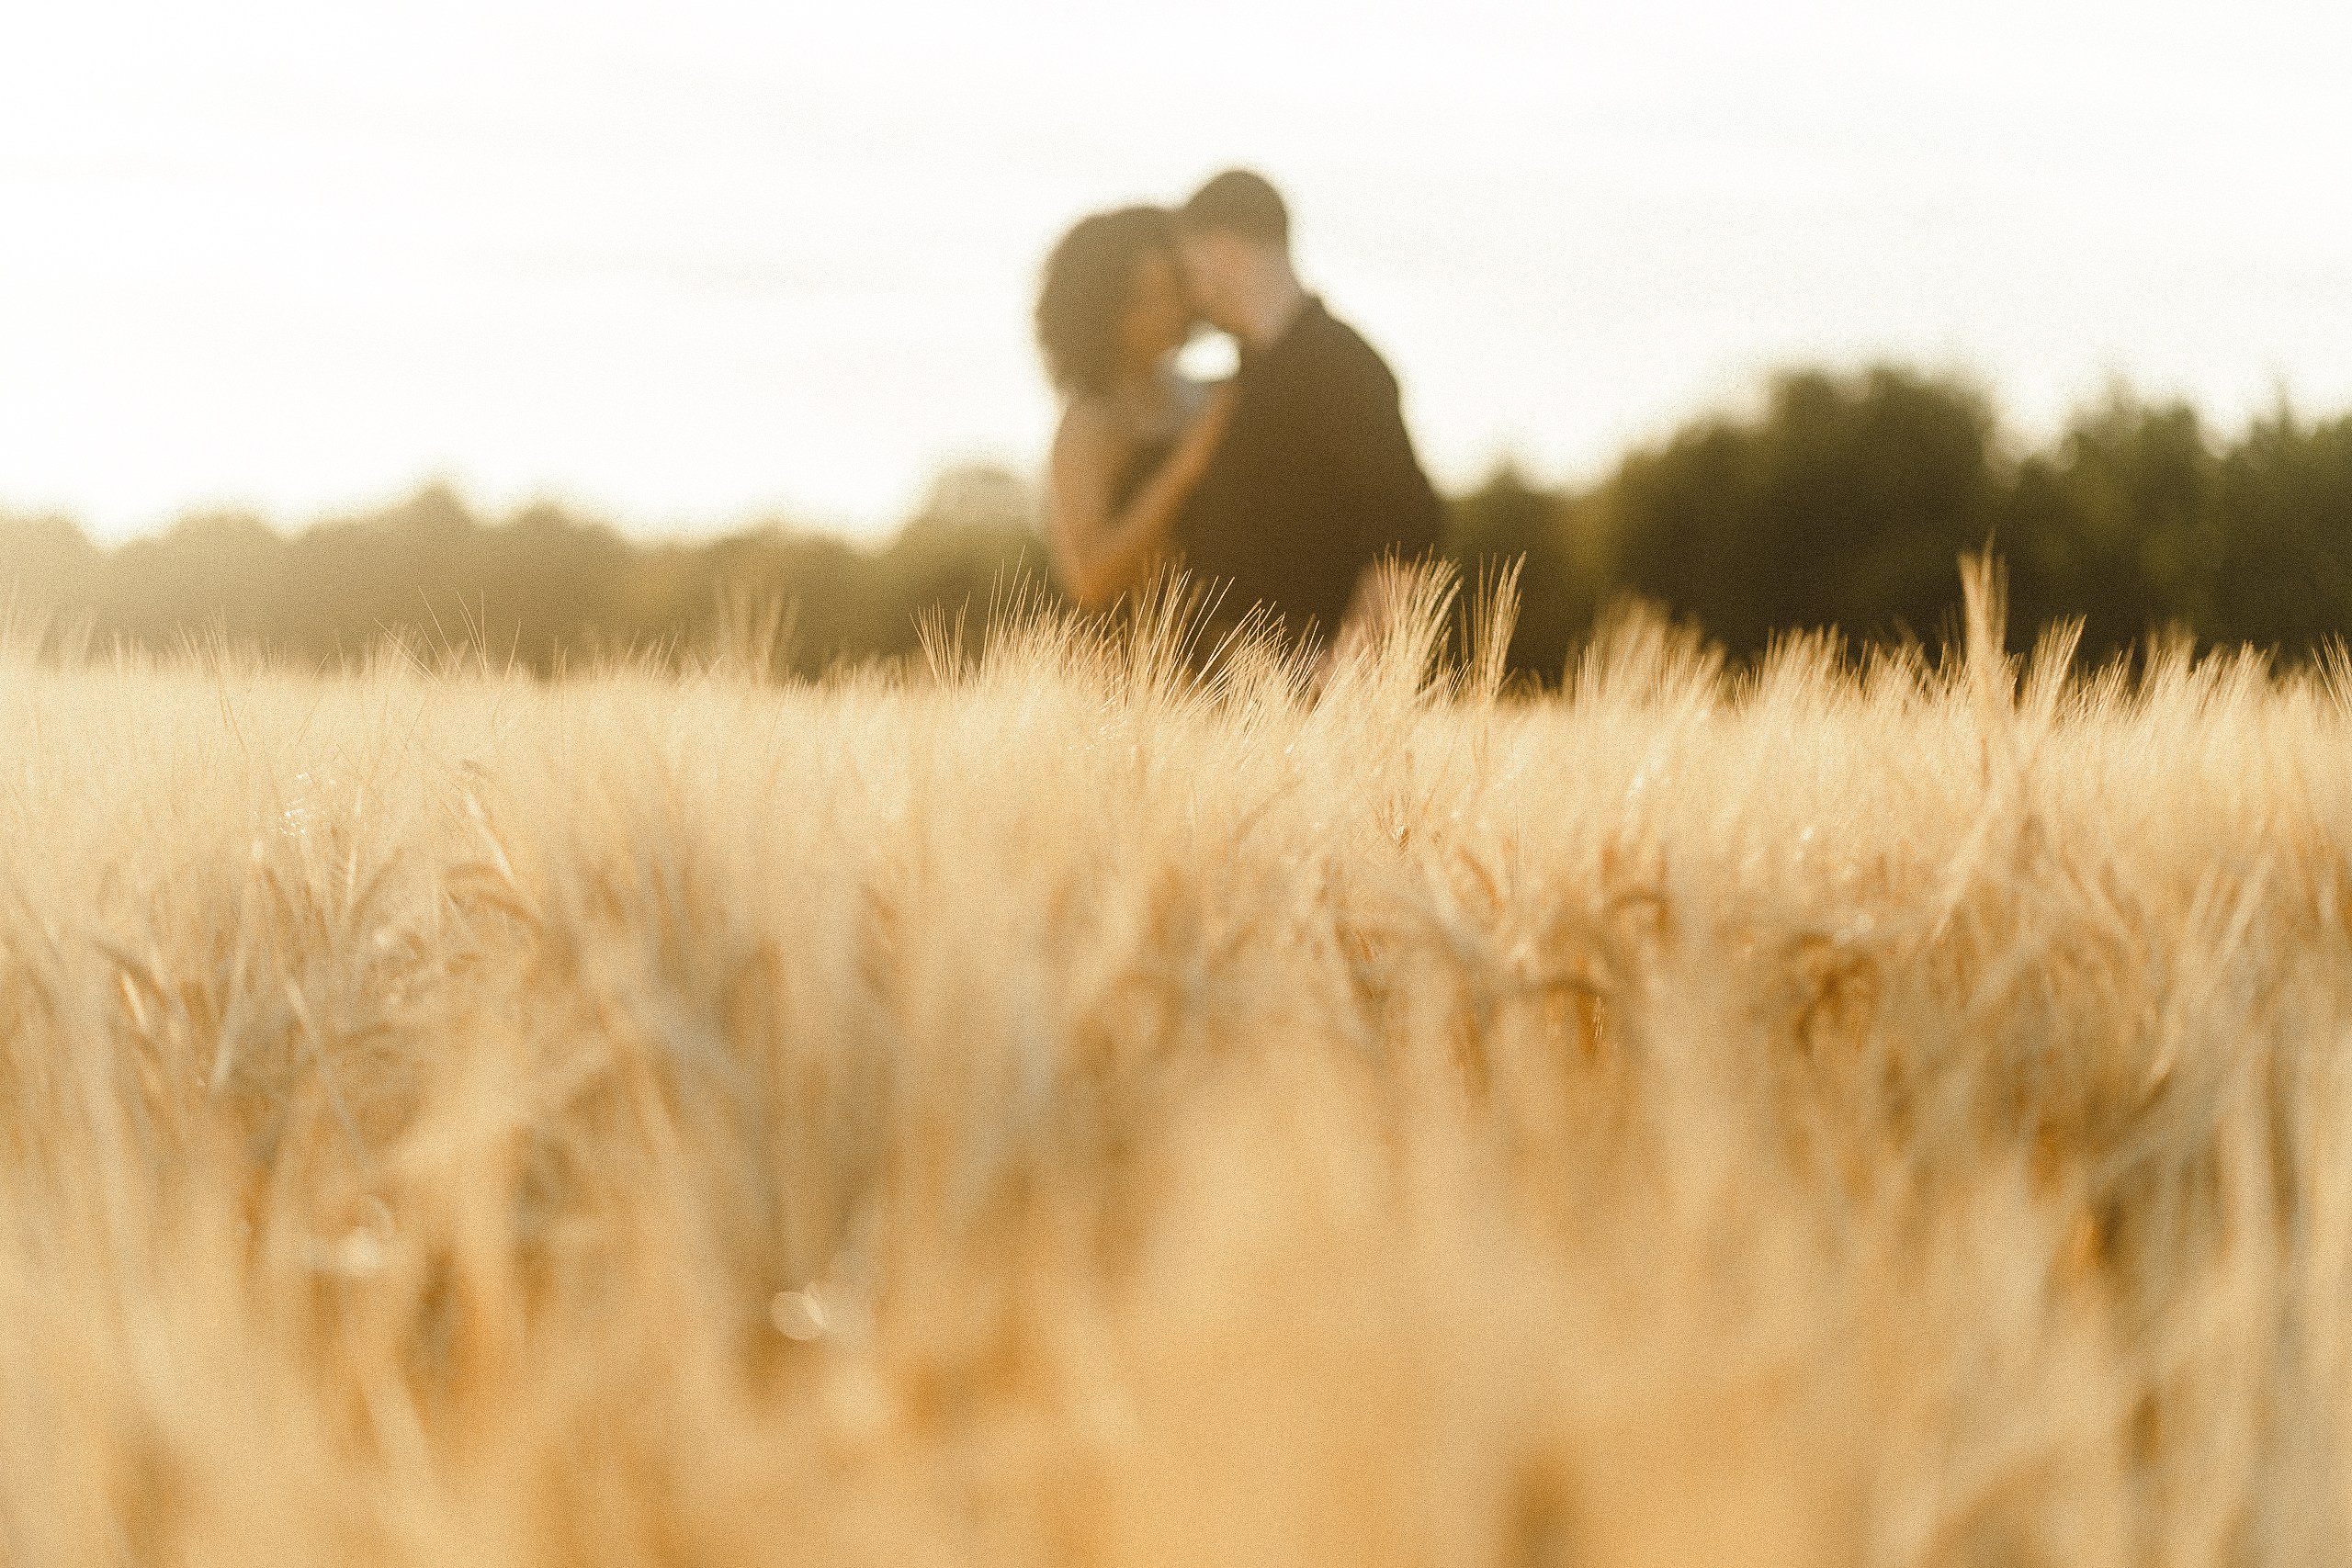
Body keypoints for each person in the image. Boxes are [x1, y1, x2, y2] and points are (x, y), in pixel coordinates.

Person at [1172, 169, 1445, 648]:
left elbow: (1405, 540)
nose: (1191, 292)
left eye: (1192, 270)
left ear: (1227, 252)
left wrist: (1337, 687)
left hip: (1301, 699)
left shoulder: (1341, 365)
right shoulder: (1247, 374)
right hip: (1236, 697)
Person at [1035, 206, 1237, 612]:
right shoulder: (1087, 424)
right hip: (1134, 659)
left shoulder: (1206, 393)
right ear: (1104, 313)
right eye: (1150, 297)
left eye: (1176, 289)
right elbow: (1088, 580)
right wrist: (1187, 465)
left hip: (1232, 648)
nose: (1174, 309)